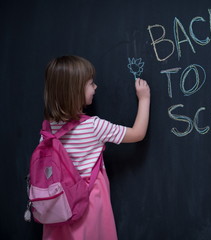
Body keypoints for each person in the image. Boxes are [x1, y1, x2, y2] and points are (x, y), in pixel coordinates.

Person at [41, 55, 150, 240]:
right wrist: (144, 98)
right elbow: (138, 133)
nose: (95, 87)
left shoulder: (48, 128)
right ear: (75, 91)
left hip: (57, 205)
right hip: (88, 203)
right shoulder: (94, 126)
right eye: (91, 84)